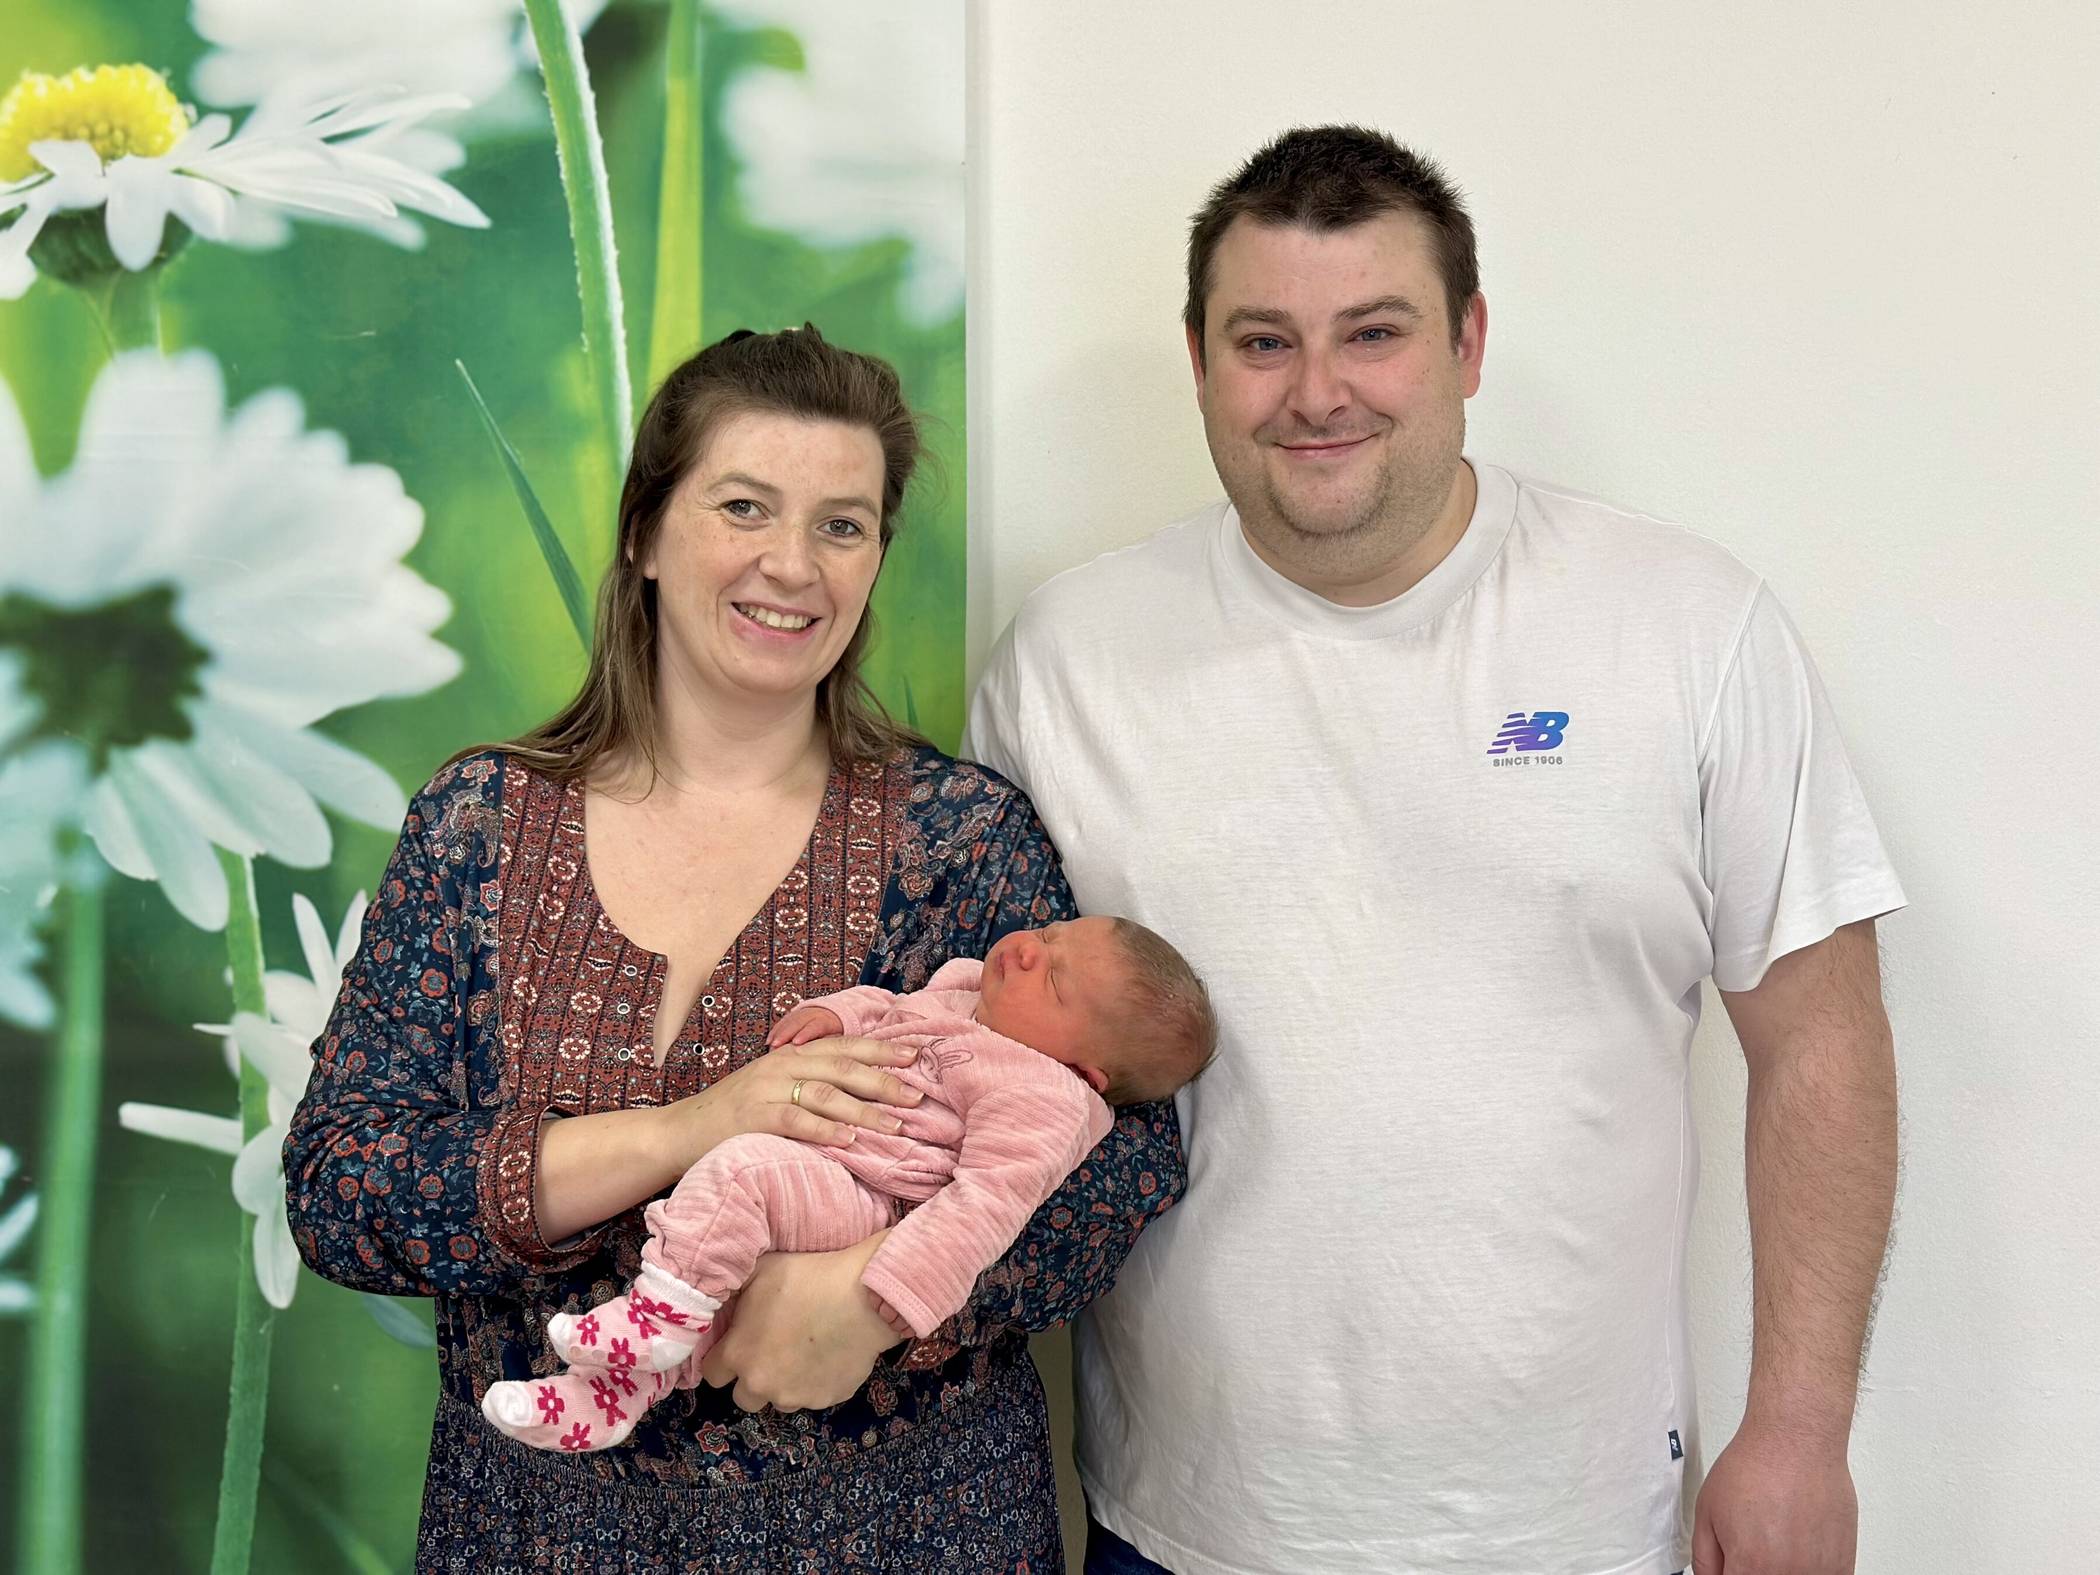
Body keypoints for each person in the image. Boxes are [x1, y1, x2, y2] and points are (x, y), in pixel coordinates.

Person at [965, 126, 1904, 1575]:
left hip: (1573, 1527)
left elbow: (1822, 1040)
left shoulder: (1685, 626)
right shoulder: (1068, 658)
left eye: (1375, 333)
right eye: (1263, 339)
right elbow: (986, 1053)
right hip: (1190, 1525)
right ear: (1200, 360)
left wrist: (1799, 1427)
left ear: (1469, 341)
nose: (1318, 390)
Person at [284, 325, 1188, 1570]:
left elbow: (1120, 1163)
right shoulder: (478, 827)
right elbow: (342, 1191)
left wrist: (874, 1303)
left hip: (908, 1534)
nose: (792, 566)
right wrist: (692, 1125)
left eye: (843, 525)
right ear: (646, 534)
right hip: (531, 1539)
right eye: (744, 506)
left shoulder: (959, 840)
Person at [477, 915, 1215, 1452]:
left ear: (1084, 1070)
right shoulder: (967, 994)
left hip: (871, 1199)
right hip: (836, 1164)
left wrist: (882, 1302)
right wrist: (837, 1012)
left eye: (1051, 979)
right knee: (728, 1285)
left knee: (738, 1175)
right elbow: (892, 1012)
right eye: (1053, 935)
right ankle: (609, 1396)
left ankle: (654, 1318)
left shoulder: (1047, 1100)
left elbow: (983, 1210)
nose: (1026, 948)